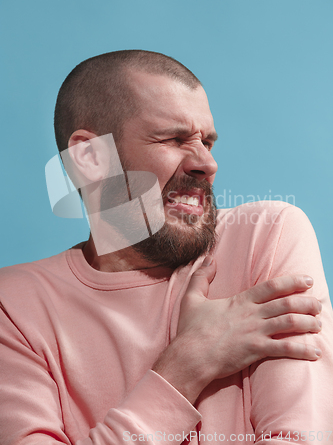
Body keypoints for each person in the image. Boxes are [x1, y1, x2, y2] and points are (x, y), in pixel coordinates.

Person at [0, 50, 332, 445]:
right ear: (90, 157)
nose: (207, 164)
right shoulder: (15, 307)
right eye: (174, 138)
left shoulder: (266, 236)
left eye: (207, 142)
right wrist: (185, 365)